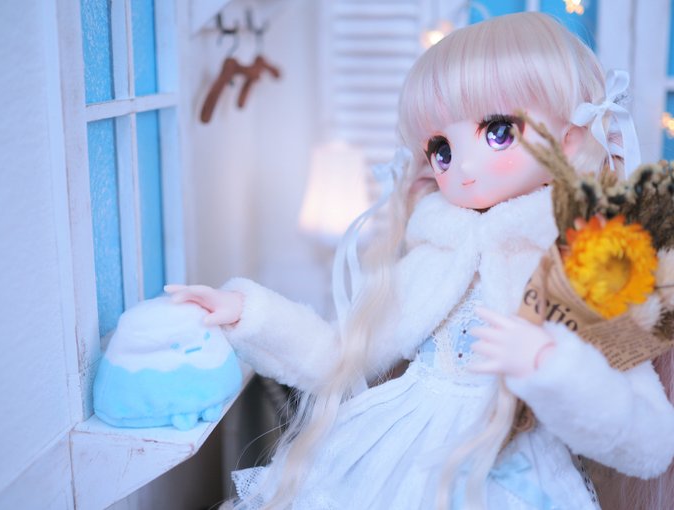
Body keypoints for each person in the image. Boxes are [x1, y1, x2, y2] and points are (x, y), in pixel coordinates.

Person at [166, 12, 674, 510]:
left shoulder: (587, 264)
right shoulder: (438, 255)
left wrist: (553, 367)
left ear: (570, 138)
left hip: (510, 474)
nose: (463, 165)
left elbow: (649, 442)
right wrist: (249, 314)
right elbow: (339, 357)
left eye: (499, 131)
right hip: (396, 455)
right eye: (442, 149)